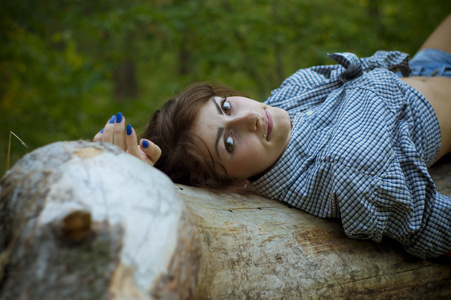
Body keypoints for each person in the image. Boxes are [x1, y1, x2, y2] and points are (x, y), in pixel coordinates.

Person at [94, 15, 451, 259]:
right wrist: (134, 186)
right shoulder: (349, 176)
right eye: (228, 143)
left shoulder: (280, 104)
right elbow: (434, 227)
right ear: (232, 183)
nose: (251, 116)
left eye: (226, 107)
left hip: (425, 64)